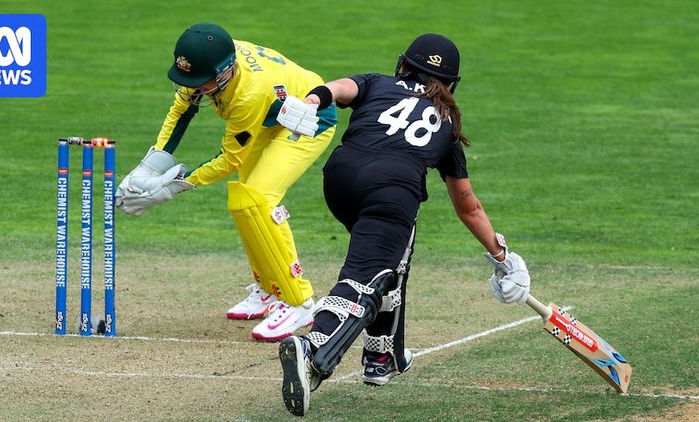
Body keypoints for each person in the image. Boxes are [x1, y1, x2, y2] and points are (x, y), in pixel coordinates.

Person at [274, 33, 531, 416]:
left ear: (404, 65)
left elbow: (339, 88)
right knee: (368, 278)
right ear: (451, 84)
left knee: (394, 258)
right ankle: (314, 349)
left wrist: (313, 98)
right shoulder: (447, 124)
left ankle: (383, 357)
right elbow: (468, 207)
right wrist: (502, 256)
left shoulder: (377, 82)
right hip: (389, 193)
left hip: (339, 181)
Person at [115, 23, 337, 341]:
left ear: (224, 72)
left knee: (258, 199)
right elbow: (180, 111)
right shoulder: (206, 61)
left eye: (200, 82)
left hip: (309, 119)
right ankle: (268, 289)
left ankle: (298, 301)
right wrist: (149, 167)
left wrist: (172, 186)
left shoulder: (248, 93)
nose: (194, 88)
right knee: (241, 203)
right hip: (271, 116)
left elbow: (230, 160)